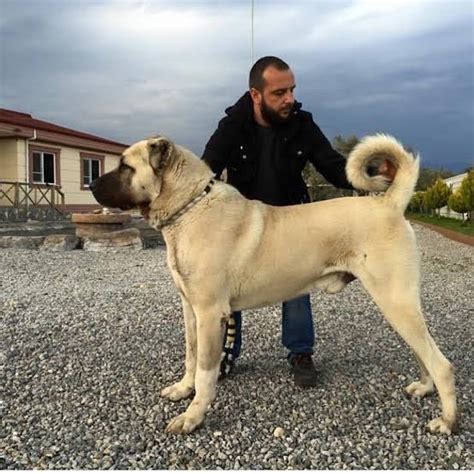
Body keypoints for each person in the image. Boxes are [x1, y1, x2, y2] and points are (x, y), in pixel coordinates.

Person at [202, 56, 394, 387]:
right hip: (244, 226)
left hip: (292, 221)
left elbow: (334, 167)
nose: (289, 98)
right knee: (223, 290)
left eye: (291, 89)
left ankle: (300, 353)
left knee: (298, 286)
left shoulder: (302, 123)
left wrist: (375, 175)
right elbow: (205, 173)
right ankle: (224, 353)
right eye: (279, 92)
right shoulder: (233, 125)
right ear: (256, 94)